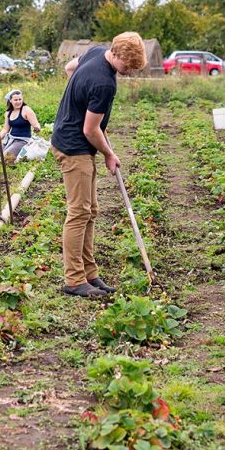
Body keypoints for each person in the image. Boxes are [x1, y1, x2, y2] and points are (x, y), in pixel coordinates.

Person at [52, 32, 148, 299]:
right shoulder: (104, 83)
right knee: (79, 212)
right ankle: (74, 279)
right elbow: (91, 129)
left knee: (90, 210)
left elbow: (70, 67)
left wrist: (78, 95)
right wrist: (109, 153)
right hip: (74, 147)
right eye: (126, 66)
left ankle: (90, 273)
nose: (128, 72)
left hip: (75, 141)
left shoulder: (96, 53)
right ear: (115, 54)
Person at [0, 88, 41, 161]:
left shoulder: (26, 110)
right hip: (11, 139)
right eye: (16, 100)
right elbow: (5, 129)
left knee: (5, 158)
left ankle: (15, 163)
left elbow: (36, 124)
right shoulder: (8, 113)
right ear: (10, 101)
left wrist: (37, 128)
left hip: (22, 140)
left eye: (20, 99)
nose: (18, 102)